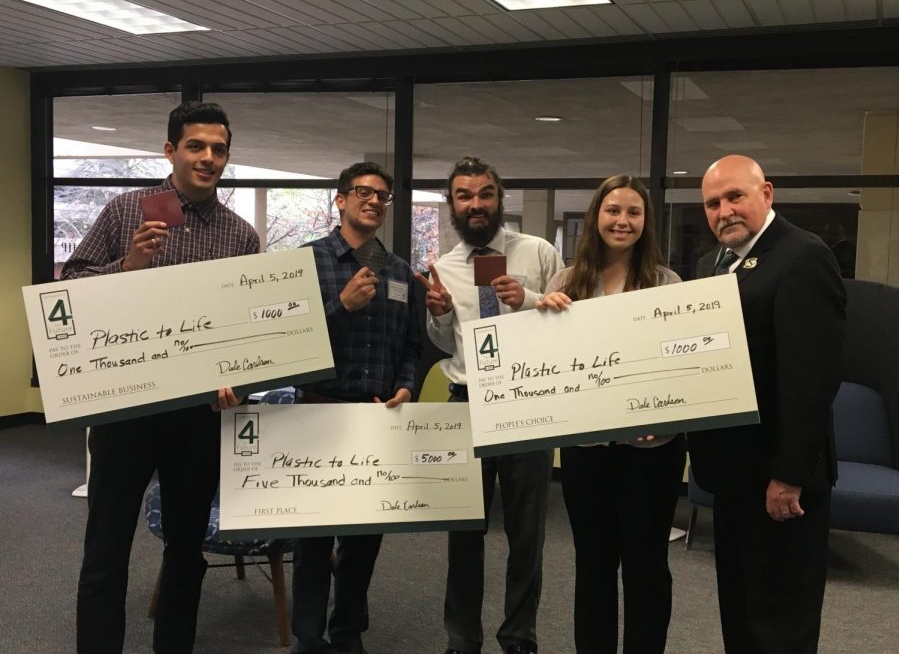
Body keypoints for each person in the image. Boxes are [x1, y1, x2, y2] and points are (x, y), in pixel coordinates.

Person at [62, 101, 260, 653]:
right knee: (105, 549)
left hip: (196, 418)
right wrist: (127, 266)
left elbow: (244, 331)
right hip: (125, 410)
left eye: (219, 149)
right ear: (170, 150)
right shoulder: (127, 211)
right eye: (196, 146)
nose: (208, 158)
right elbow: (71, 287)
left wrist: (237, 379)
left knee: (183, 552)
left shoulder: (240, 236)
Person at [689, 155, 846, 654]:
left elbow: (812, 379)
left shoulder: (803, 257)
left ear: (767, 194)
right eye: (713, 203)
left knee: (781, 621)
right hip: (731, 475)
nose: (724, 211)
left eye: (735, 196)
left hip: (780, 482)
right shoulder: (709, 265)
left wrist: (789, 475)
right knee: (740, 609)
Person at [417, 156, 564, 654]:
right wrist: (437, 318)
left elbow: (568, 320)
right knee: (465, 531)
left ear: (500, 199)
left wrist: (529, 296)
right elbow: (446, 345)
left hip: (528, 400)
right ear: (453, 204)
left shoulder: (539, 252)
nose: (475, 204)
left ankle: (519, 636)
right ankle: (463, 637)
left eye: (484, 194)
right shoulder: (443, 266)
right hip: (467, 404)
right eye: (464, 195)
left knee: (527, 536)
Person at [536, 175, 686, 653]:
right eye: (613, 210)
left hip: (653, 450)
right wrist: (542, 315)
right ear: (596, 216)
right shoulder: (565, 281)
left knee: (645, 565)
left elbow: (679, 368)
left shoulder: (667, 283)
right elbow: (546, 364)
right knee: (593, 563)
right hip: (586, 451)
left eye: (633, 213)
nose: (622, 221)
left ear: (646, 222)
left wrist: (660, 419)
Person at [291, 162, 421, 654]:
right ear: (340, 200)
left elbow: (411, 346)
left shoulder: (400, 271)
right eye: (363, 192)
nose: (373, 201)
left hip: (376, 419)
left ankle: (347, 634)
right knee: (312, 539)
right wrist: (339, 306)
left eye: (382, 196)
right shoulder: (306, 262)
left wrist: (407, 387)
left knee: (363, 542)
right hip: (317, 417)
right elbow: (287, 343)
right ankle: (307, 637)